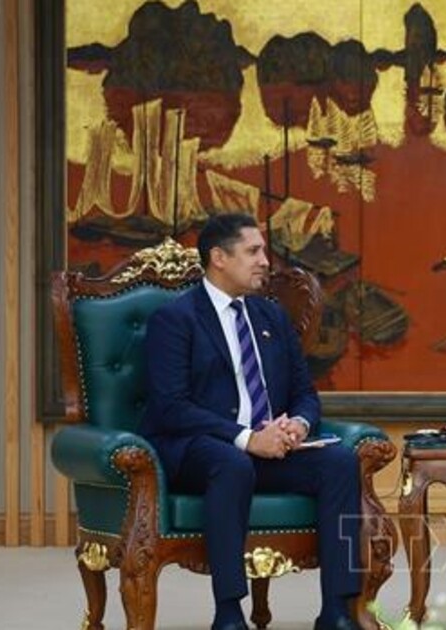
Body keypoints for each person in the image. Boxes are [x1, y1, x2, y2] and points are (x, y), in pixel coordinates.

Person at [141, 213, 363, 630]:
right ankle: (229, 613)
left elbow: (304, 392)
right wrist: (246, 438)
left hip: (268, 449)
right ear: (219, 258)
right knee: (232, 463)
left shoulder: (271, 317)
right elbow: (171, 407)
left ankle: (337, 610)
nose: (265, 261)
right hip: (200, 448)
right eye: (253, 251)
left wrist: (298, 424)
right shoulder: (176, 319)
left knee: (340, 463)